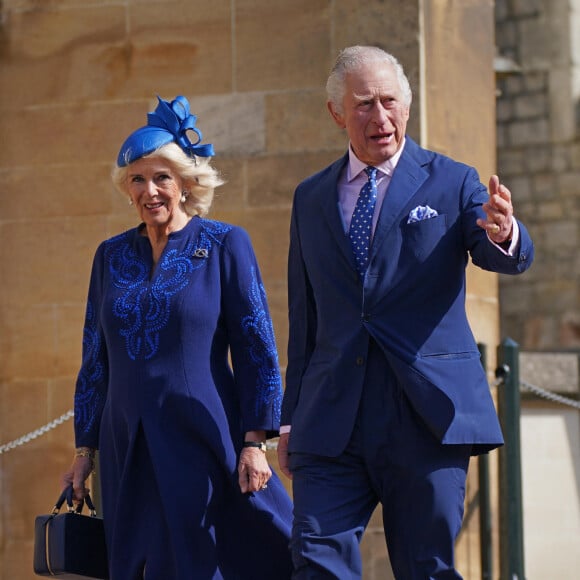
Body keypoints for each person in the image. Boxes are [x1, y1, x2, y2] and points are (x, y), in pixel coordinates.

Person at [277, 46, 534, 579]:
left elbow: (495, 252)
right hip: (331, 420)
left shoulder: (453, 181)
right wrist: (289, 416)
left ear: (408, 107)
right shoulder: (310, 198)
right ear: (337, 113)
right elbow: (306, 320)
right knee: (316, 563)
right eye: (364, 104)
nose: (380, 117)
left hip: (424, 414)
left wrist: (505, 232)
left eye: (389, 101)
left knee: (427, 569)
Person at [62, 95, 293, 579]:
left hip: (201, 435)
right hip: (125, 441)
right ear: (126, 189)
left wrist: (256, 441)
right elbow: (95, 358)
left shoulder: (226, 243)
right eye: (138, 179)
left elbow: (257, 348)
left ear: (186, 182)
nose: (151, 190)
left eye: (162, 176)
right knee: (135, 564)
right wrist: (84, 452)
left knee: (205, 558)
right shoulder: (109, 256)